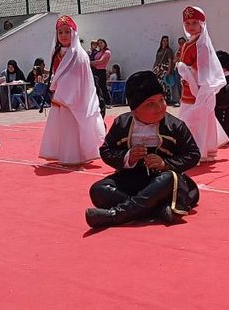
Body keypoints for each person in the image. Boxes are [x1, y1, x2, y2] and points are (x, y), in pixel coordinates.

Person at [85, 71, 200, 228]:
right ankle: (153, 209)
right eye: (150, 104)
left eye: (162, 100)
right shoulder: (122, 123)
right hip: (132, 179)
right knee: (98, 190)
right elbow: (106, 151)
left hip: (163, 182)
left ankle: (116, 215)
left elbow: (193, 154)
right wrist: (127, 157)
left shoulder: (175, 126)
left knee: (167, 179)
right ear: (134, 110)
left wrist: (165, 164)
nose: (160, 107)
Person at [39, 15, 105, 165]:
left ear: (74, 33)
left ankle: (77, 156)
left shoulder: (79, 55)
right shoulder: (56, 53)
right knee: (64, 128)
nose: (63, 36)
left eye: (67, 32)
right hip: (61, 97)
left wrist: (64, 94)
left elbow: (78, 79)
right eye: (60, 32)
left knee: (75, 126)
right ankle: (66, 155)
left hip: (76, 98)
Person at [176, 6, 229, 162]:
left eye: (194, 23)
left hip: (198, 89)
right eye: (187, 23)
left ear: (202, 24)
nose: (191, 27)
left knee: (195, 119)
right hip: (188, 87)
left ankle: (197, 151)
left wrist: (186, 71)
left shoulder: (201, 44)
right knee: (194, 119)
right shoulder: (188, 44)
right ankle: (199, 149)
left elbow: (203, 69)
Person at [214, 50, 229, 142]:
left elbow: (226, 98)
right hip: (214, 111)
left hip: (223, 112)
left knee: (226, 137)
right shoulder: (215, 78)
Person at [152, 35, 174, 102]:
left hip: (164, 68)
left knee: (164, 83)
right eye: (164, 41)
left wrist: (169, 70)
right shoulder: (159, 50)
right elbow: (156, 60)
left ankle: (166, 98)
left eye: (166, 41)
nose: (165, 42)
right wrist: (154, 68)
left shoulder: (168, 50)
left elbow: (170, 60)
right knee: (158, 83)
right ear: (161, 41)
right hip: (158, 69)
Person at [91, 38, 112, 106]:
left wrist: (90, 62)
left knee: (103, 87)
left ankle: (108, 102)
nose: (100, 45)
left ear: (105, 44)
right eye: (98, 43)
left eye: (101, 43)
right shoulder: (98, 52)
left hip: (101, 71)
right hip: (95, 71)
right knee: (96, 87)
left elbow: (101, 61)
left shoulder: (107, 52)